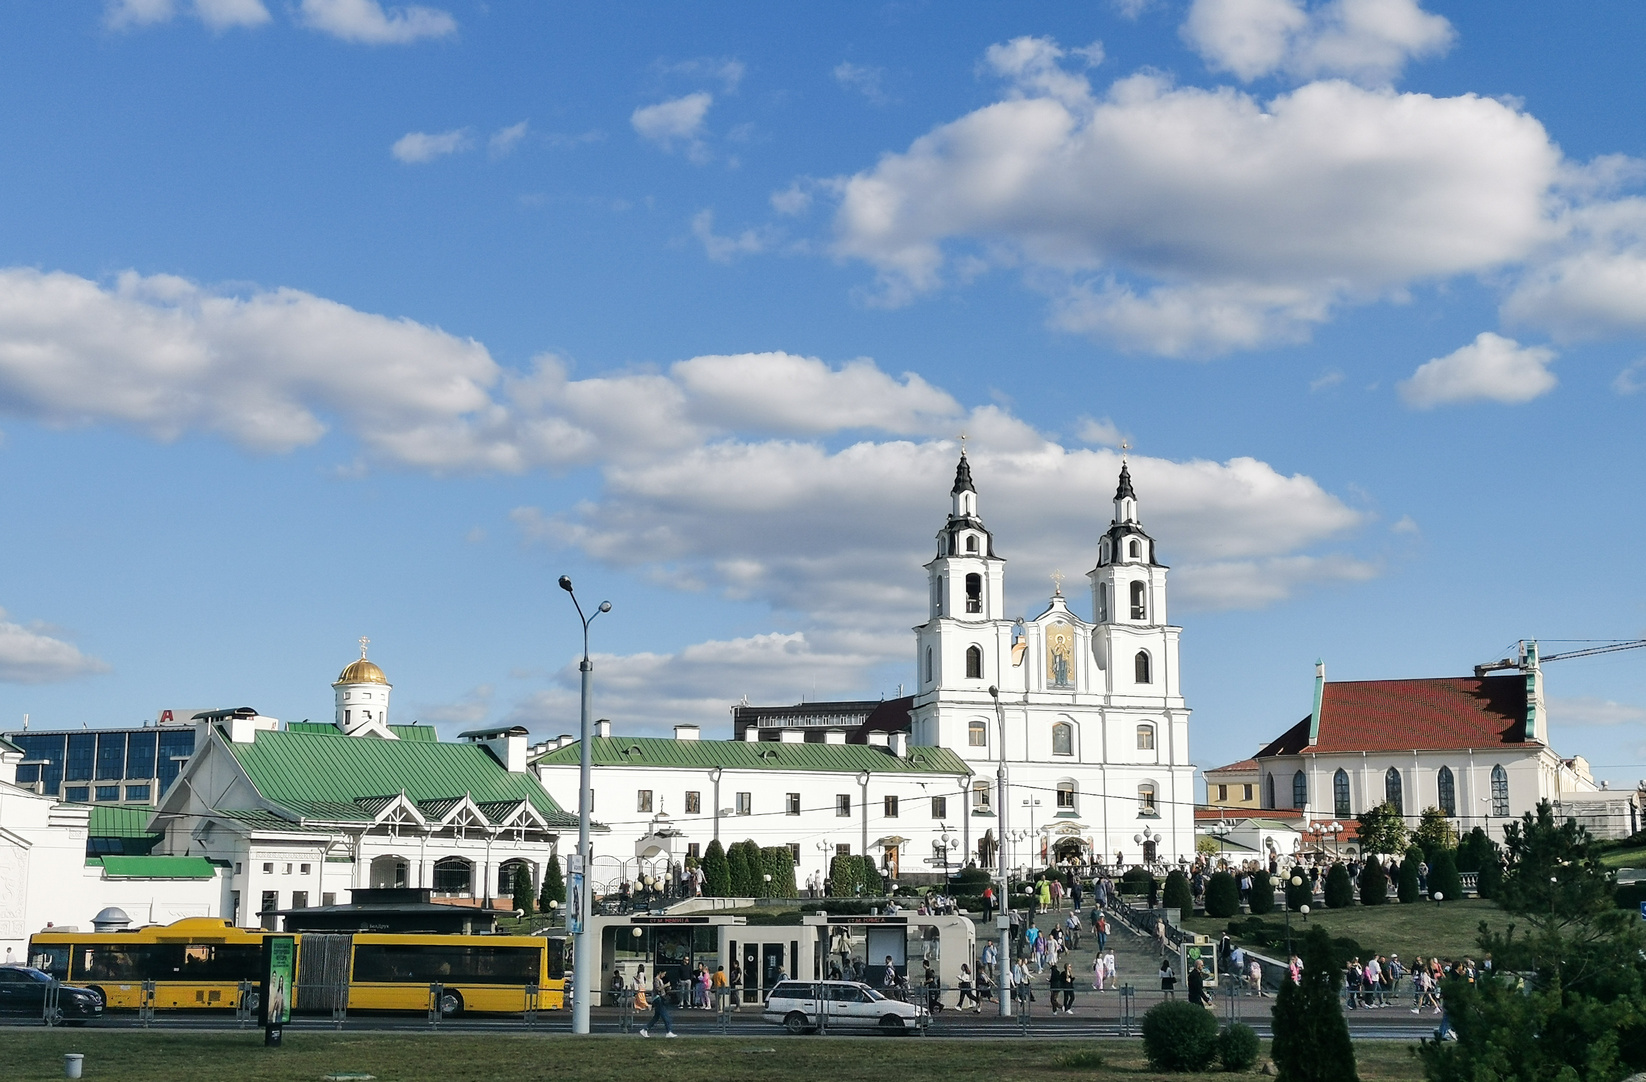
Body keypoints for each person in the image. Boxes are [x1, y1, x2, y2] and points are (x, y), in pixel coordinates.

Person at [638, 969, 677, 1037]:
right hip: (658, 999)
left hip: (660, 998)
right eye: (663, 974)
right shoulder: (656, 979)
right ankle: (668, 1031)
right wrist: (665, 985)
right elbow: (658, 989)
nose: (664, 975)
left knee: (656, 1017)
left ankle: (645, 1029)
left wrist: (667, 988)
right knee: (665, 1016)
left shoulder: (660, 980)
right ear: (660, 973)